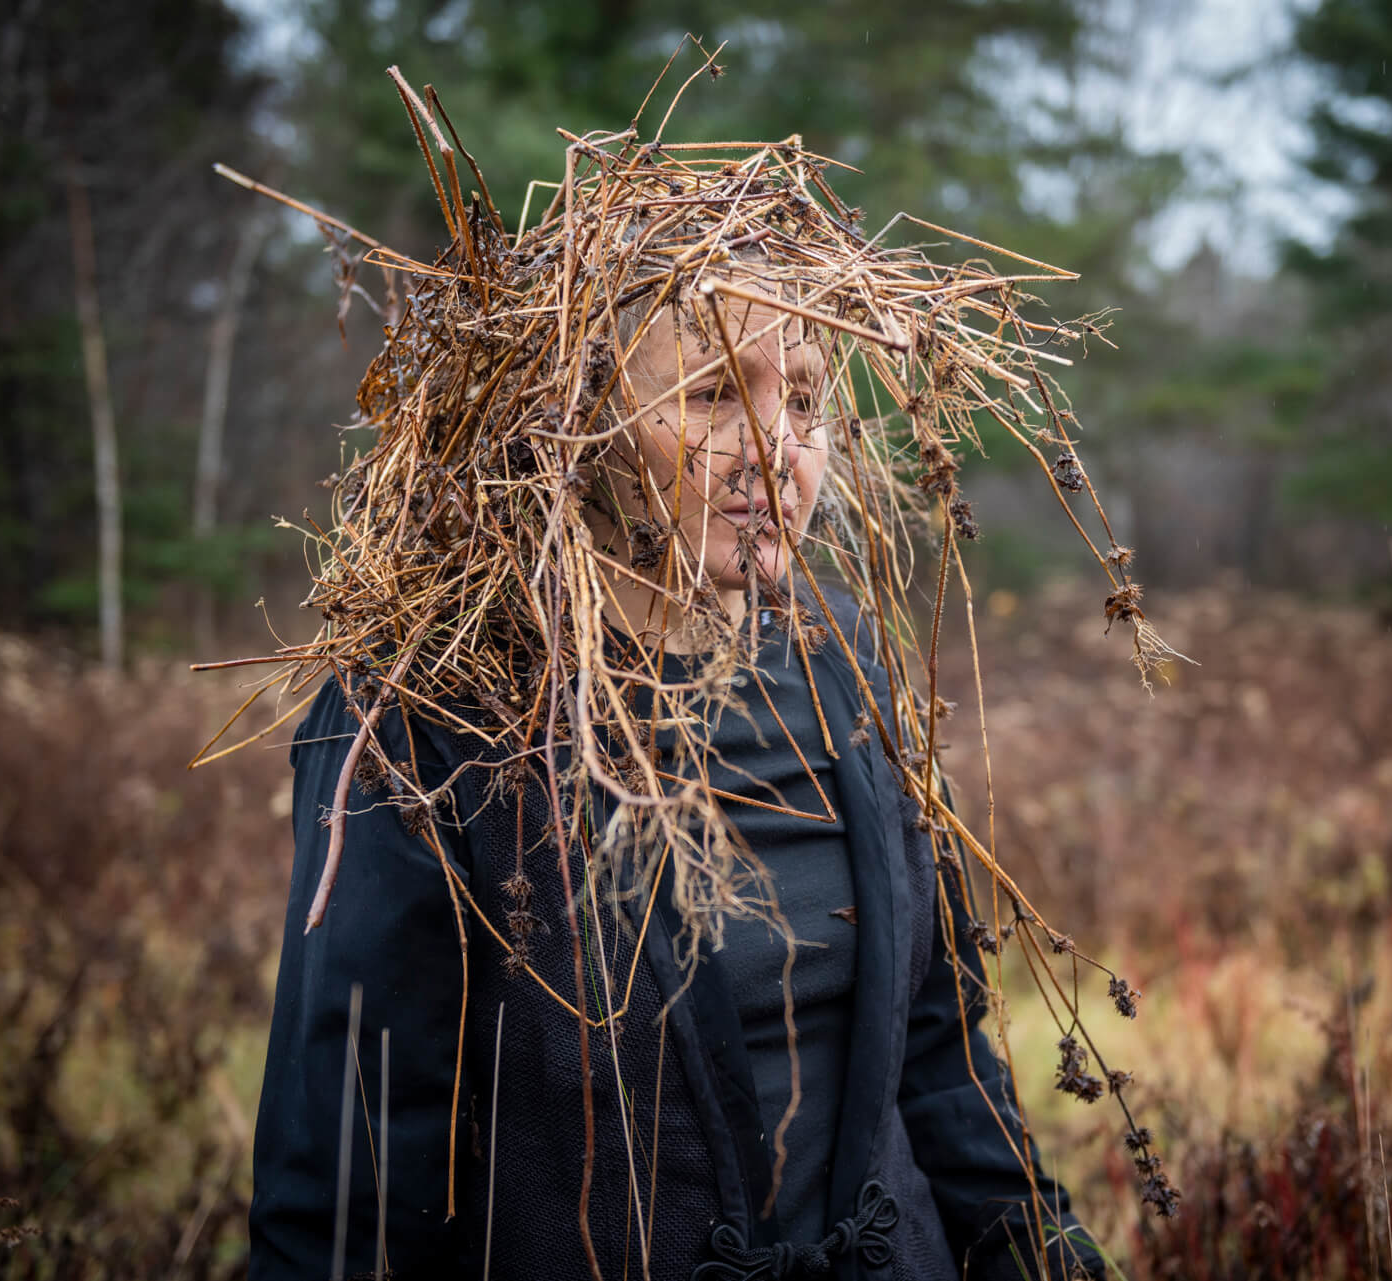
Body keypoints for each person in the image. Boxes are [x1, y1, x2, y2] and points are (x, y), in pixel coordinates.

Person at [240, 100, 1145, 1280]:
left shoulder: (844, 666)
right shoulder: (434, 722)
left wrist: (1047, 1255)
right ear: (579, 419)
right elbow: (350, 1183)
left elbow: (937, 1050)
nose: (776, 447)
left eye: (807, 398)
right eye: (715, 392)